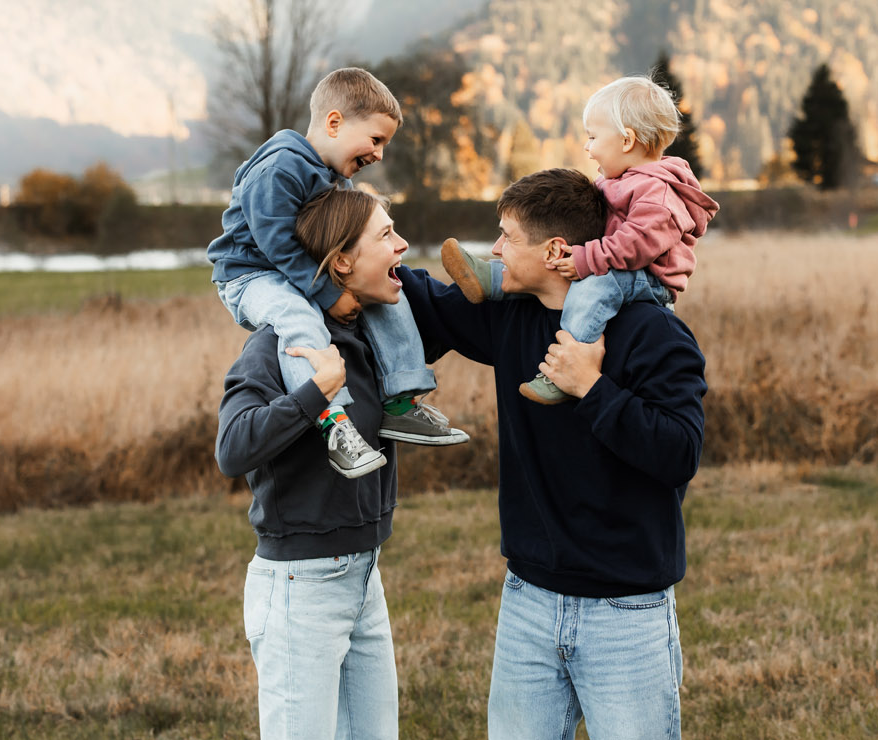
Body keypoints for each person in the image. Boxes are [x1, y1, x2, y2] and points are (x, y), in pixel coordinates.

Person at [398, 168, 708, 740]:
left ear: (556, 251)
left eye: (507, 237)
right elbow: (418, 301)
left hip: (626, 611)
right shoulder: (508, 315)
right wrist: (348, 232)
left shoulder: (651, 333)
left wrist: (592, 389)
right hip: (528, 599)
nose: (493, 250)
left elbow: (679, 452)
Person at [216, 188, 414, 739]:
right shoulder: (281, 345)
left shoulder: (371, 335)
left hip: (364, 576)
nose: (402, 244)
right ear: (343, 261)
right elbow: (232, 448)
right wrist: (315, 394)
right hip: (300, 586)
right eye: (386, 235)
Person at [207, 66, 468, 479]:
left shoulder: (336, 181)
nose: (379, 154)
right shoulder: (280, 167)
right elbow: (278, 245)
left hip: (298, 269)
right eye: (375, 139)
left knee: (386, 300)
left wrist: (360, 285)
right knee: (296, 317)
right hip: (251, 275)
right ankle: (334, 424)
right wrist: (330, 294)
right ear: (334, 123)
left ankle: (401, 402)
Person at [442, 76, 718, 404]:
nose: (587, 148)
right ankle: (494, 277)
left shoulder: (656, 192)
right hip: (619, 263)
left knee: (593, 286)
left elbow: (636, 243)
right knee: (557, 265)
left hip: (649, 277)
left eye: (593, 137)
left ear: (627, 141)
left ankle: (566, 364)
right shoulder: (620, 180)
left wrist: (587, 258)